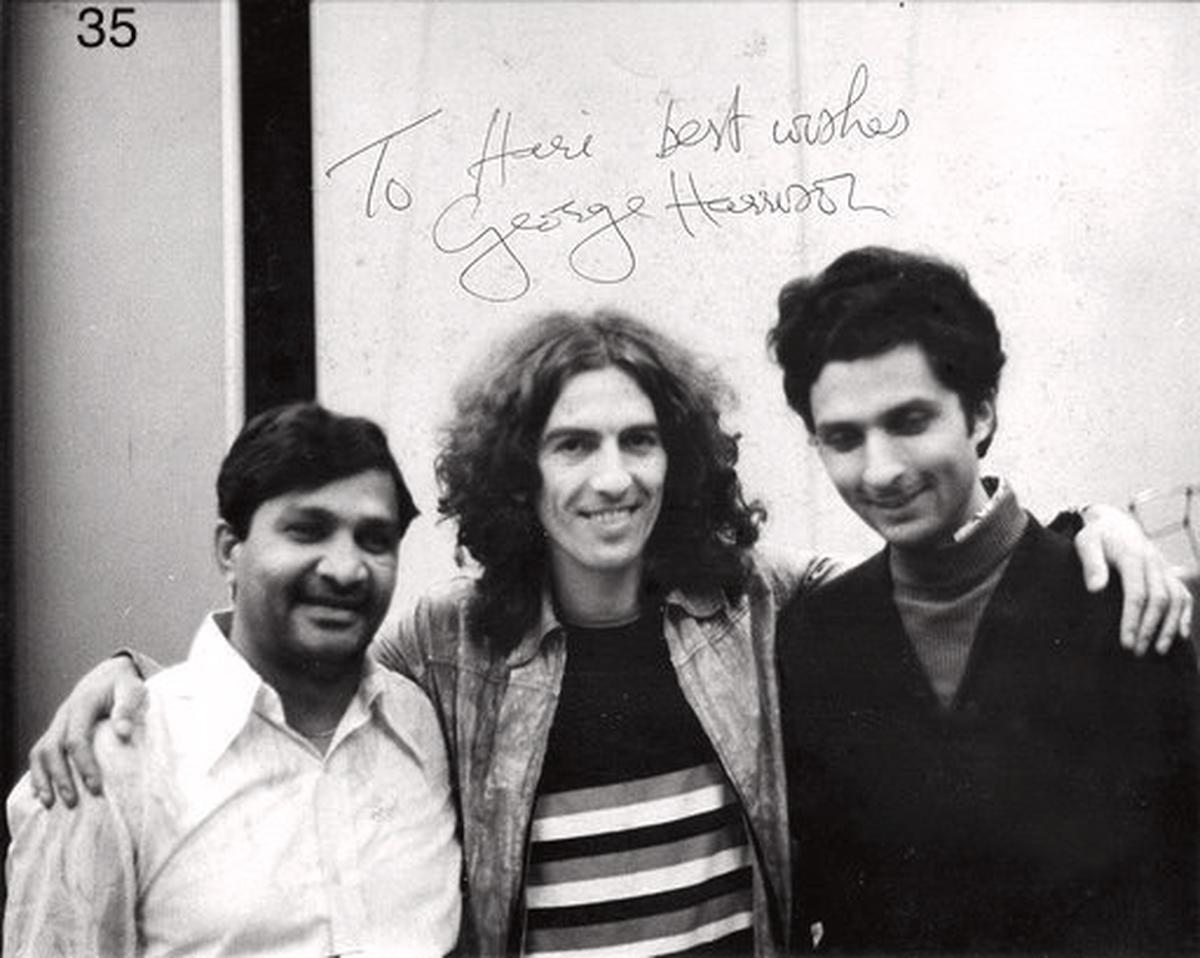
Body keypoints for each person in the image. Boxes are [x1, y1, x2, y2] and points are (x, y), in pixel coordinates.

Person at [23, 312, 1193, 957]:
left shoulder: (757, 604)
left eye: (639, 441)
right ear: (516, 471)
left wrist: (1094, 532)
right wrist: (135, 675)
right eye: (572, 444)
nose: (612, 477)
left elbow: (933, 572)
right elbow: (299, 685)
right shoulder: (446, 645)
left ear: (676, 459)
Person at [771, 247, 1199, 954]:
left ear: (979, 413)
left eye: (910, 421)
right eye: (844, 438)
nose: (880, 470)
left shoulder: (1120, 608)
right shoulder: (816, 634)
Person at [4, 403, 462, 957]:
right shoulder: (107, 765)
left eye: (374, 539)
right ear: (229, 551)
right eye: (306, 530)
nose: (345, 568)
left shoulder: (419, 722)